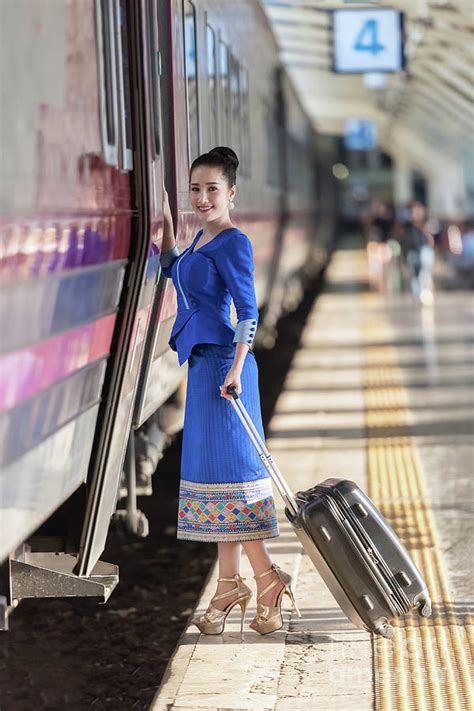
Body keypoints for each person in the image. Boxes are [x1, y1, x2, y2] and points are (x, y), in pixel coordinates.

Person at [160, 146, 299, 636]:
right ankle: (234, 584)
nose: (201, 197)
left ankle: (261, 579)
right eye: (195, 189)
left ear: (231, 193)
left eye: (211, 189)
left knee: (234, 480)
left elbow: (248, 311)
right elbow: (176, 272)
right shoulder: (201, 237)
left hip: (225, 371)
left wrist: (237, 368)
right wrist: (163, 230)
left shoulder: (234, 241)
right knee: (217, 482)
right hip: (203, 371)